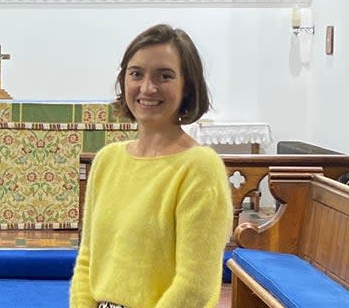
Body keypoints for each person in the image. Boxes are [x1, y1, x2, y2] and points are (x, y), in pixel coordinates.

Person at [70, 24, 231, 308]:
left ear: (188, 86)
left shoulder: (200, 168)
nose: (147, 87)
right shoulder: (108, 160)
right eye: (136, 74)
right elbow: (87, 260)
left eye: (164, 76)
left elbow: (194, 286)